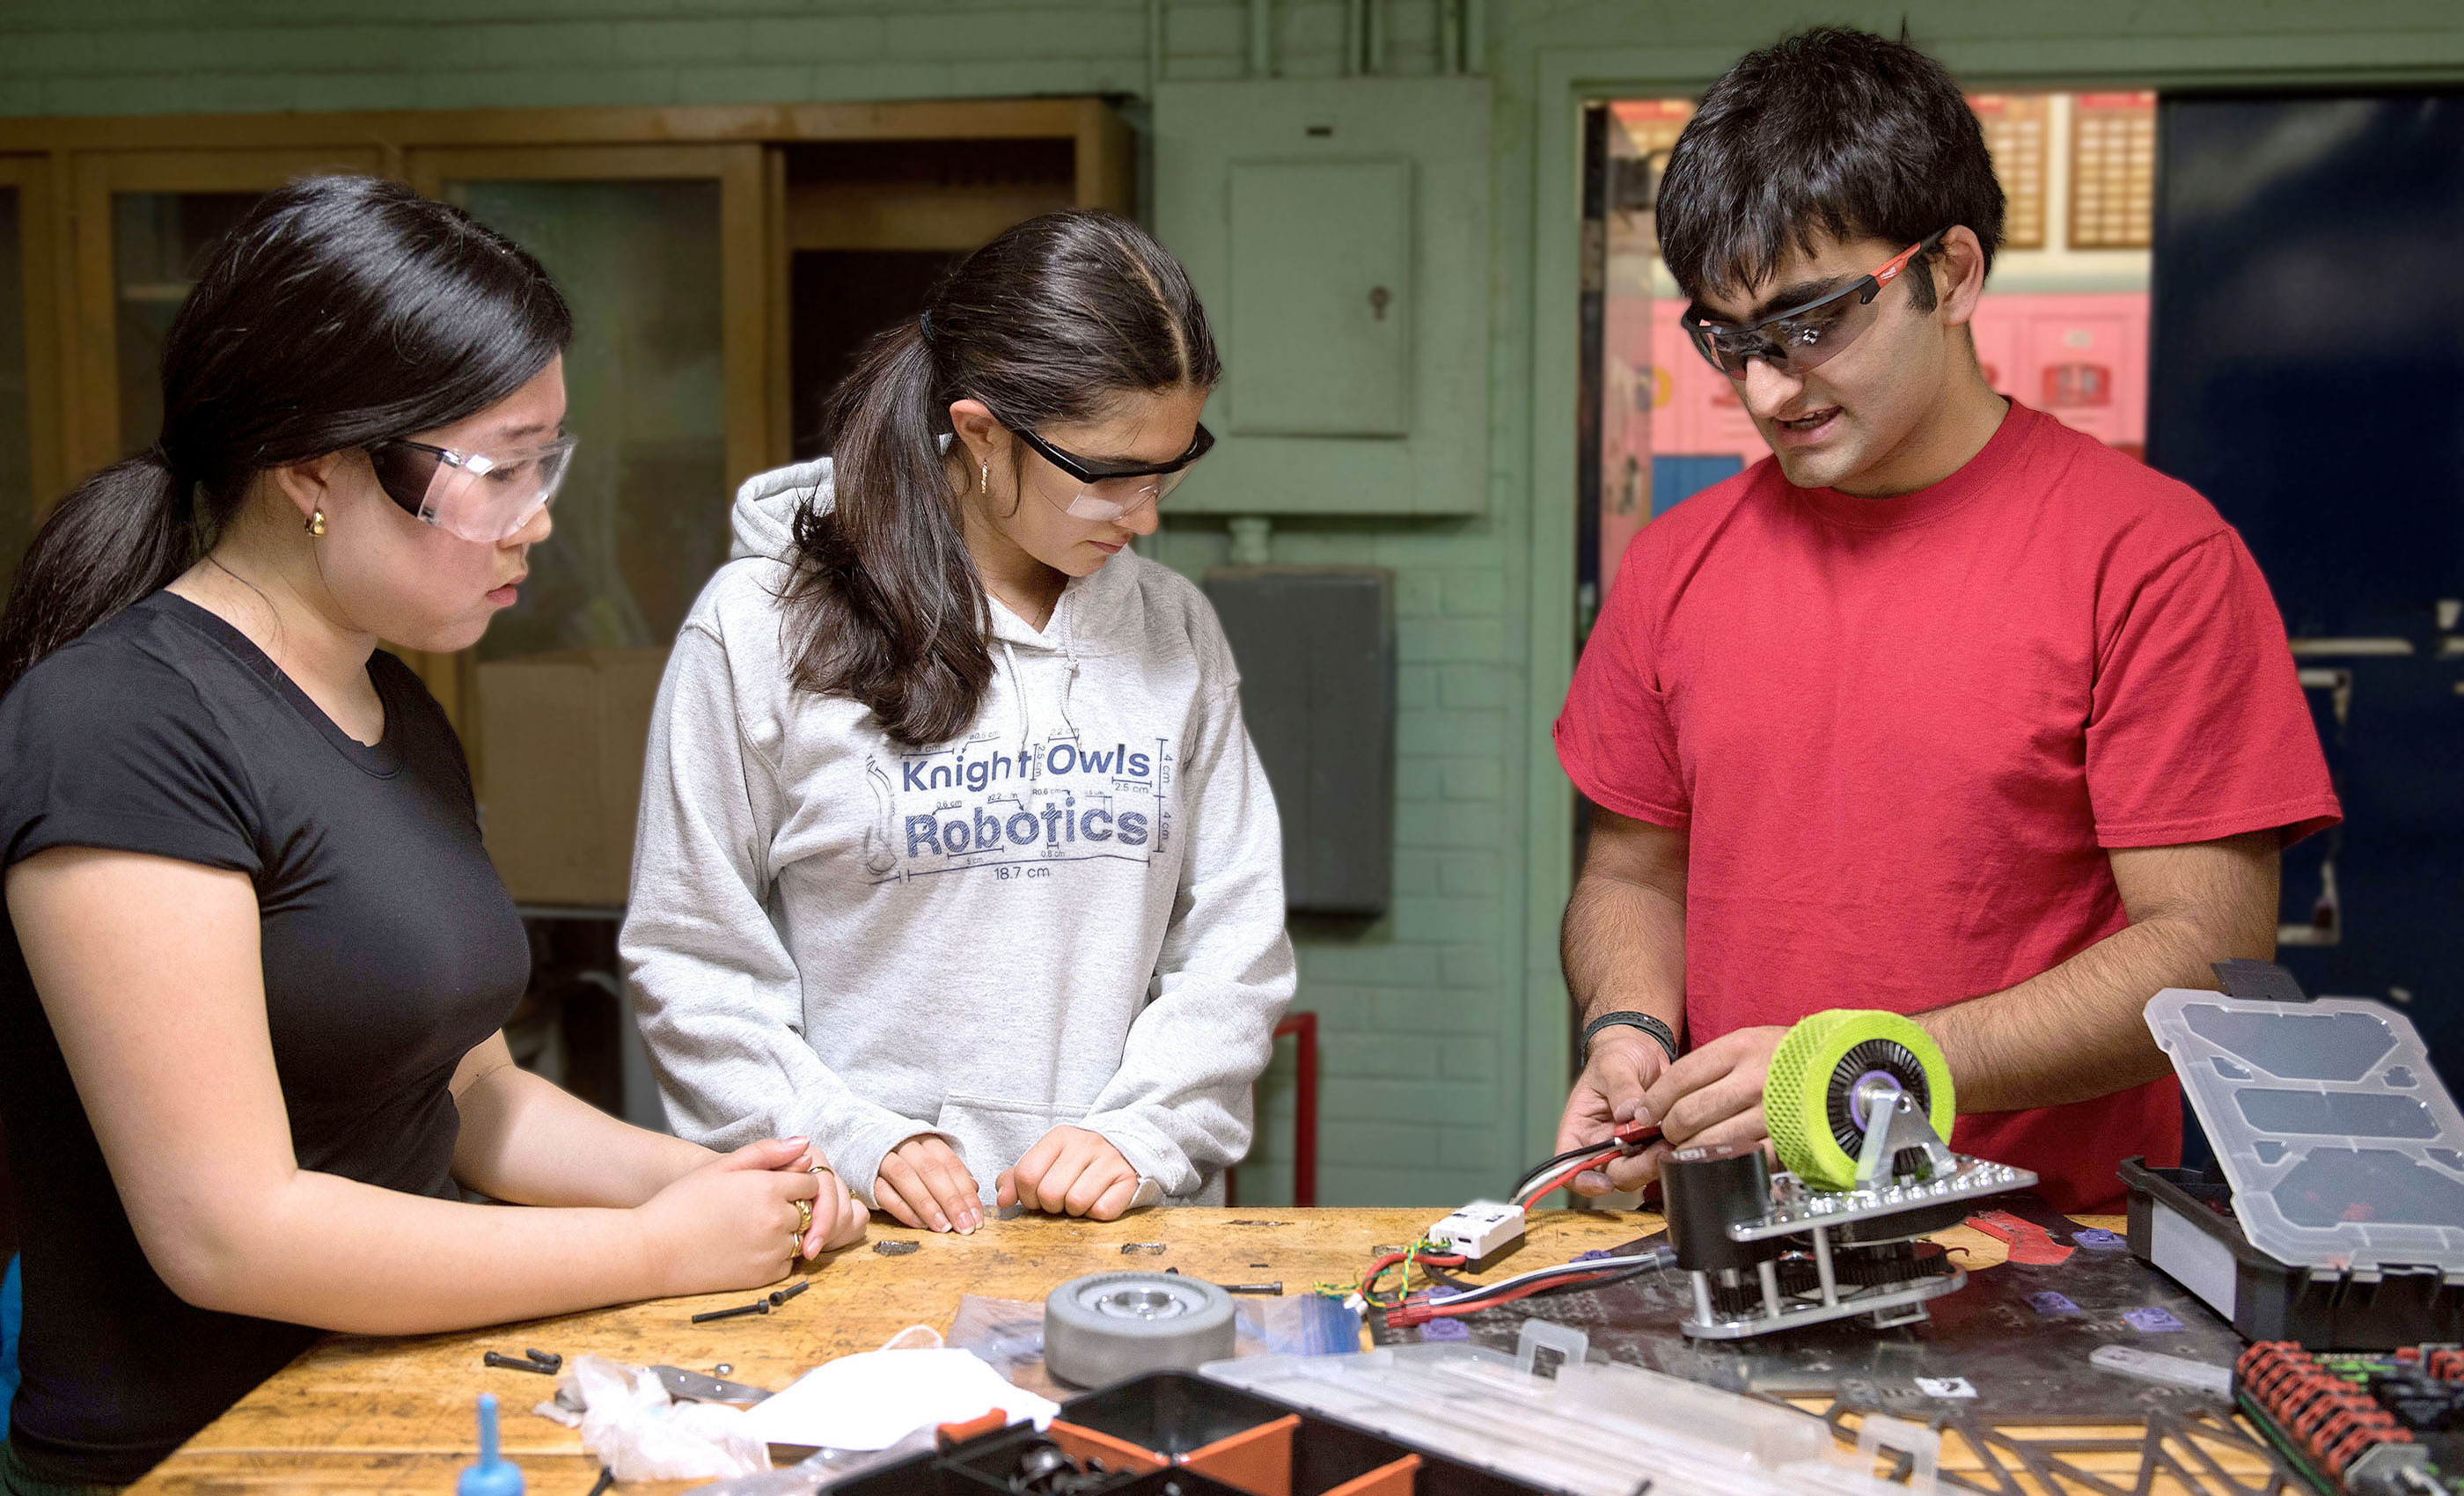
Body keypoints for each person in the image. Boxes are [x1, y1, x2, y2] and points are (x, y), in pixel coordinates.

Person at [0, 177, 862, 1496]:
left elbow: (470, 1096)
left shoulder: (388, 697)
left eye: (548, 458)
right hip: (190, 1459)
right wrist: (655, 1250)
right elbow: (227, 1232)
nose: (541, 514)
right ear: (312, 471)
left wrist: (718, 1188)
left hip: (393, 1411)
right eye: (499, 466)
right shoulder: (119, 723)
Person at [1551, 29, 2340, 1214]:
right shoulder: (1676, 563)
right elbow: (1631, 871)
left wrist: (1856, 1071)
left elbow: (2207, 962)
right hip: (1734, 1229)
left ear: (1954, 274)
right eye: (1730, 339)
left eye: (1812, 323)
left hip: (2040, 1258)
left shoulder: (2152, 558)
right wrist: (1626, 1035)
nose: (1769, 388)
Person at [625, 209, 1294, 1234]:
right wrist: (851, 1137)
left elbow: (1234, 940)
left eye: (1173, 460)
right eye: (1110, 473)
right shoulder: (760, 627)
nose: (1147, 512)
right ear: (979, 431)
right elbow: (690, 955)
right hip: (858, 1235)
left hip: (1116, 1236)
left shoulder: (1172, 630)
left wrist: (1142, 1130)